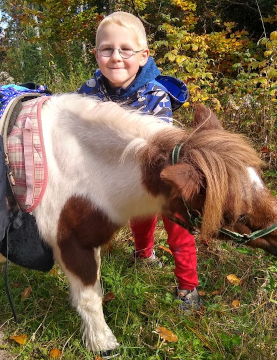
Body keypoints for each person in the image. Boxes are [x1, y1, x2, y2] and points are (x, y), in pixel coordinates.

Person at [78, 11, 201, 309]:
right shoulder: (91, 90)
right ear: (96, 55)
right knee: (140, 215)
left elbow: (154, 143)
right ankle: (144, 254)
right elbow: (76, 123)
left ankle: (188, 286)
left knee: (177, 224)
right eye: (107, 49)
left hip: (160, 171)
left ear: (144, 56)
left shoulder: (154, 93)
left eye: (125, 50)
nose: (116, 57)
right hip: (121, 172)